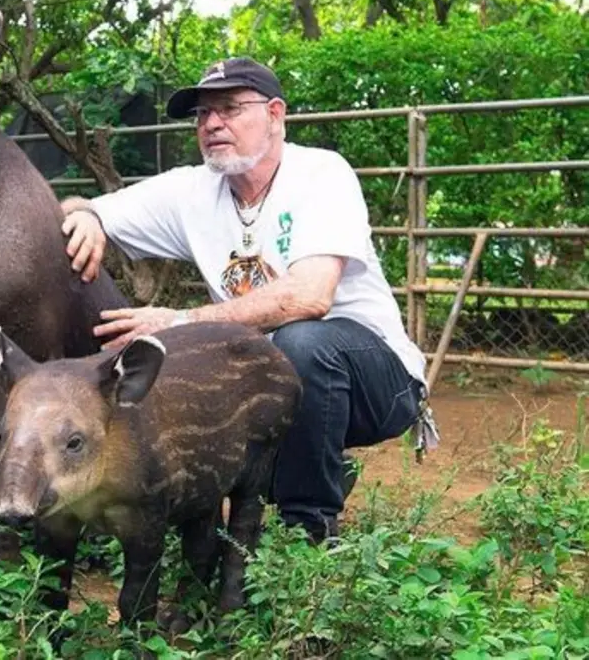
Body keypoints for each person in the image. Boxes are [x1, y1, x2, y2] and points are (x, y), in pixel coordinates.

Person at [59, 57, 439, 545]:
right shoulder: (192, 190)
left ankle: (309, 533)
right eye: (202, 114)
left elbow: (310, 295)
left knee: (302, 343)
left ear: (276, 115)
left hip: (379, 382)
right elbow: (81, 208)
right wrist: (85, 218)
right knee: (199, 364)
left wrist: (179, 321)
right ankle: (161, 518)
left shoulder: (322, 174)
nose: (213, 123)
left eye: (230, 108)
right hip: (271, 380)